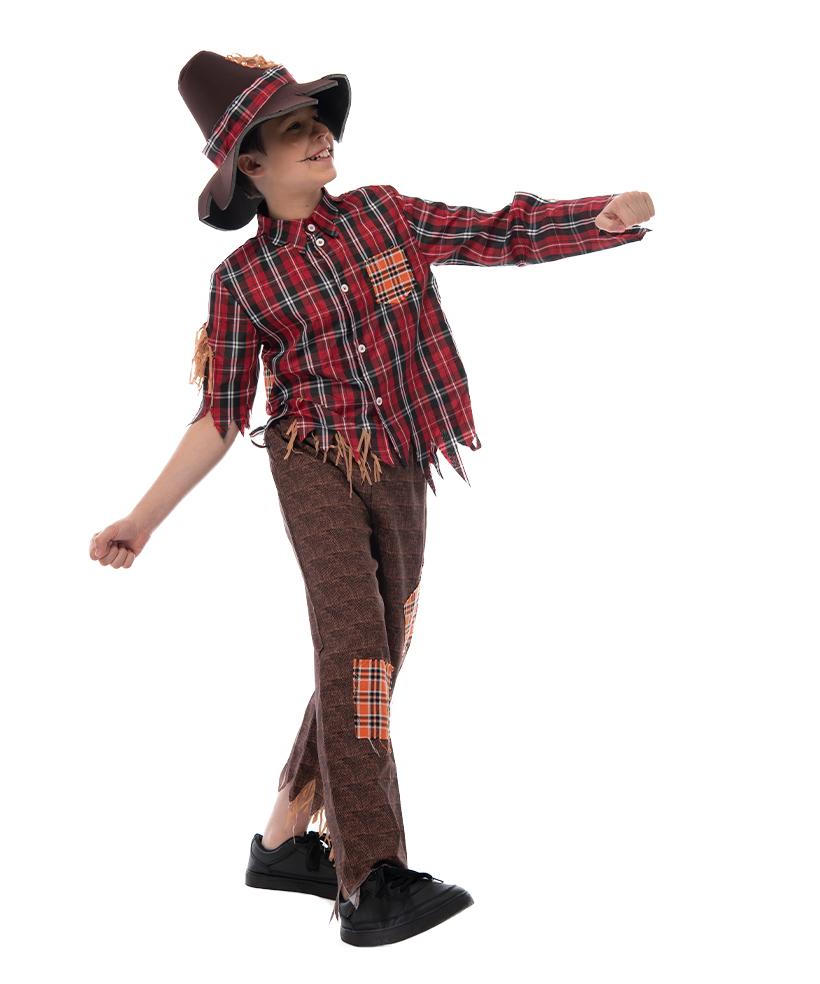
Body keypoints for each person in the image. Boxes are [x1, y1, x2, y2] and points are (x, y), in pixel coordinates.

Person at [90, 50, 655, 947]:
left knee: (375, 655)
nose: (319, 136)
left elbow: (497, 234)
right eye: (293, 130)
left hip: (398, 457)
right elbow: (221, 414)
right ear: (250, 164)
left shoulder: (386, 214)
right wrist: (142, 518)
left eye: (316, 120)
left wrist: (599, 217)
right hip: (312, 460)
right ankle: (373, 878)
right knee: (355, 647)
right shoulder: (242, 281)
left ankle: (283, 842)